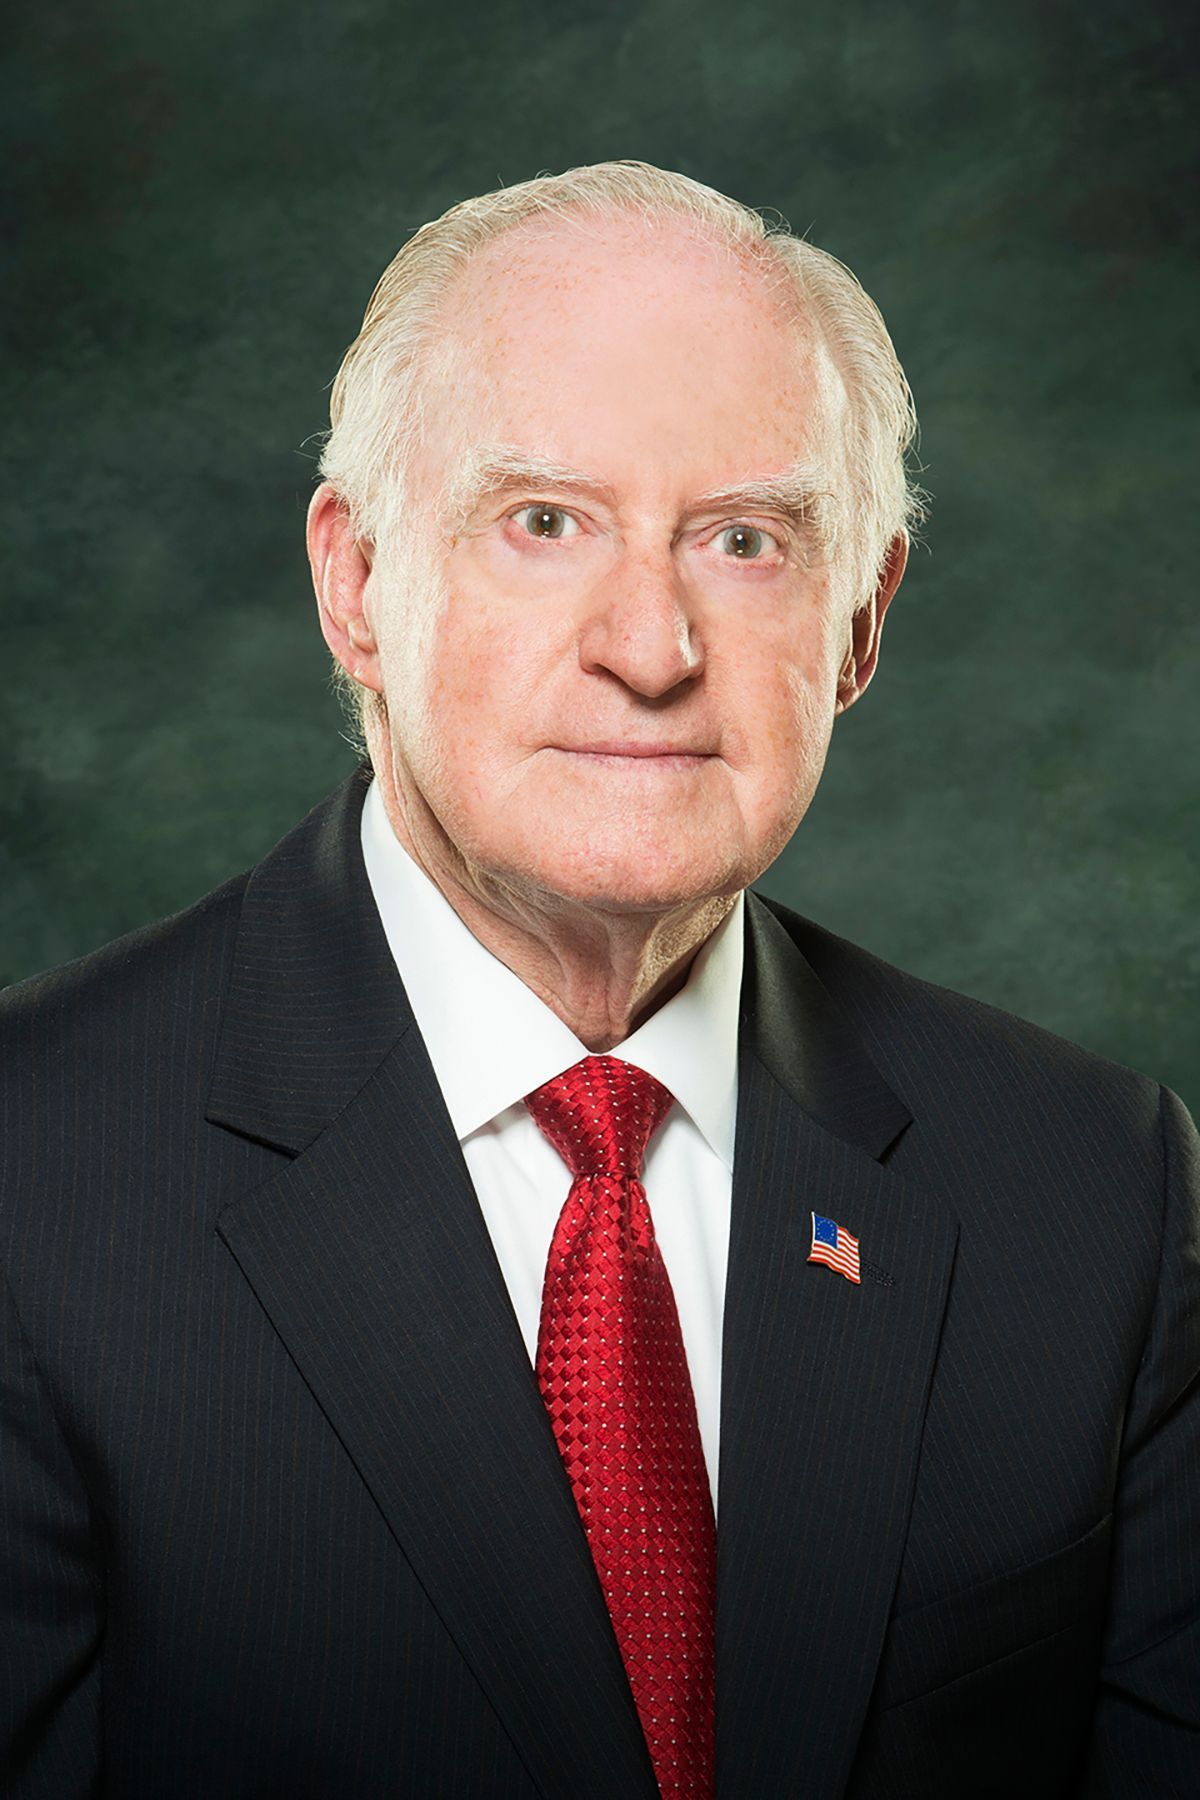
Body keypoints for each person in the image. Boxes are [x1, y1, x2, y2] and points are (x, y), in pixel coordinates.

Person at [1, 160, 1196, 1800]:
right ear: (357, 584)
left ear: (862, 622)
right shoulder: (32, 1177)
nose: (651, 644)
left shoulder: (1099, 1192)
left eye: (748, 540)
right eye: (543, 522)